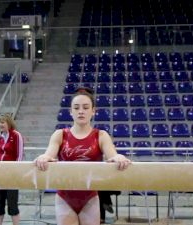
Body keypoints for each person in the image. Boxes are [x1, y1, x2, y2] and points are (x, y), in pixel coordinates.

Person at [34, 87, 131, 225]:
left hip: (90, 198)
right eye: (76, 107)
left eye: (85, 107)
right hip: (64, 198)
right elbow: (49, 154)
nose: (81, 111)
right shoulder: (60, 135)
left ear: (93, 111)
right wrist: (44, 157)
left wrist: (117, 157)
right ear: (70, 111)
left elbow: (112, 155)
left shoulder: (101, 135)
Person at [0, 114, 24, 225]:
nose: (0, 124)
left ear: (9, 123)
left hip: (12, 175)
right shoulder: (0, 136)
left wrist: (16, 173)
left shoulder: (16, 135)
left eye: (3, 122)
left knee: (12, 205)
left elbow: (19, 155)